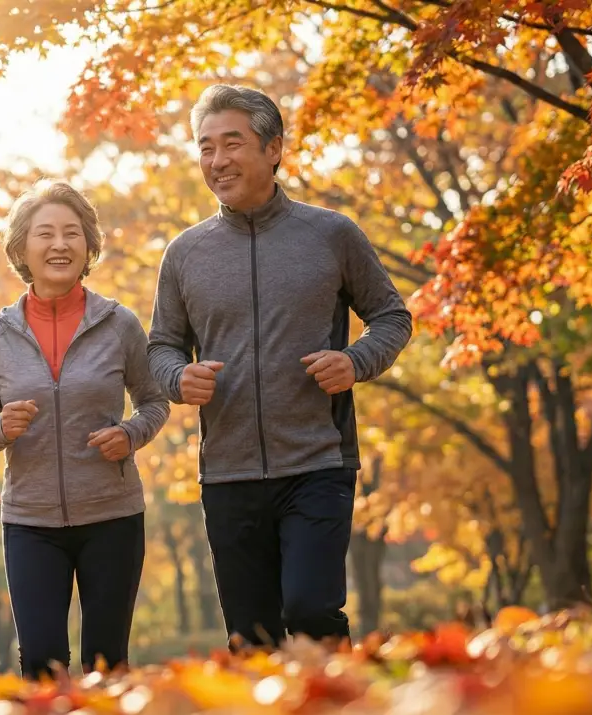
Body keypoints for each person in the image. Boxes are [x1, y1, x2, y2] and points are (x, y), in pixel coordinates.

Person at [147, 84, 413, 649]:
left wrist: (355, 360)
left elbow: (391, 316)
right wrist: (177, 378)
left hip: (318, 460)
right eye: (205, 148)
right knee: (252, 639)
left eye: (232, 144)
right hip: (227, 473)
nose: (217, 161)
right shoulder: (184, 254)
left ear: (273, 149)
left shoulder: (331, 235)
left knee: (312, 611)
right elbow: (161, 347)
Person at [0, 179, 170, 678]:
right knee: (41, 664)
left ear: (89, 245)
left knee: (107, 663)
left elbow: (154, 401)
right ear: (22, 249)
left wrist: (130, 434)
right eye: (46, 234)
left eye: (73, 233)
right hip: (30, 524)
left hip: (112, 518)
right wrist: (1, 429)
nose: (60, 245)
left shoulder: (118, 324)